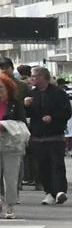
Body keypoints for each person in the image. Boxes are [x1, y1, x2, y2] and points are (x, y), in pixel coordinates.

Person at [22, 65, 70, 205]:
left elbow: (67, 111)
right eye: (32, 76)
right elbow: (27, 115)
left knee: (57, 164)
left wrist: (53, 117)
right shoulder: (32, 94)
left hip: (55, 135)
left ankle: (60, 191)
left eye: (35, 76)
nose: (32, 79)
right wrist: (26, 105)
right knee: (42, 166)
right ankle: (49, 191)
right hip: (37, 136)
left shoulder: (58, 92)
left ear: (43, 77)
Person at [0, 73, 29, 218]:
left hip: (11, 143)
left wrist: (6, 125)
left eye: (1, 87)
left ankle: (10, 206)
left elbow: (22, 123)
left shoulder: (16, 103)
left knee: (10, 176)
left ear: (8, 88)